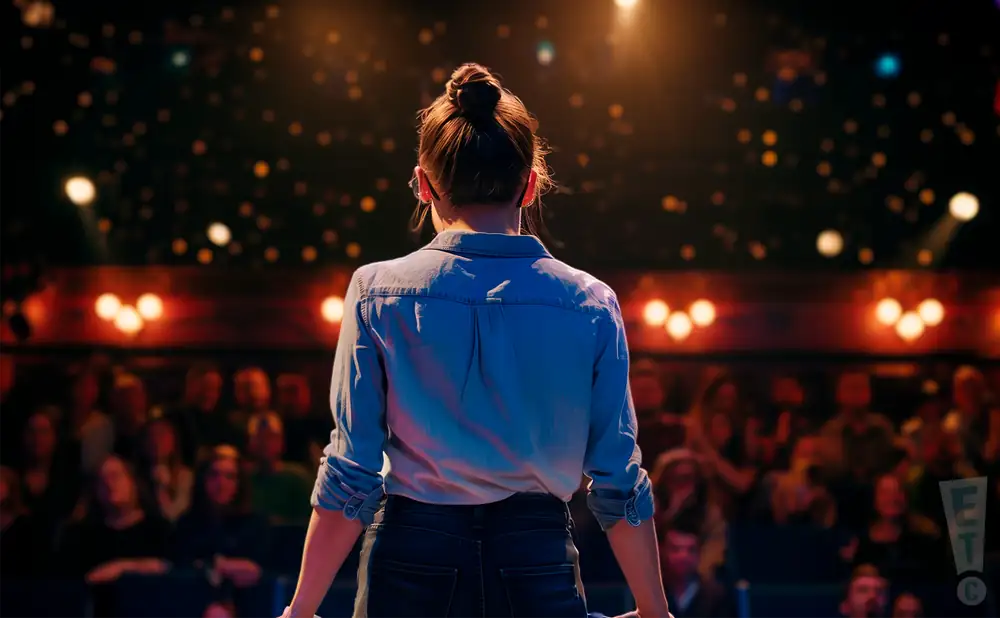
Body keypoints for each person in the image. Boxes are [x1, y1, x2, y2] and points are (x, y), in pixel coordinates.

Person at [280, 63, 670, 618]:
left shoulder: (375, 291)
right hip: (537, 560)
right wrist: (655, 609)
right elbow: (617, 474)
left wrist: (300, 609)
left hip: (410, 557)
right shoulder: (590, 302)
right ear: (531, 183)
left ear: (422, 182)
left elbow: (353, 468)